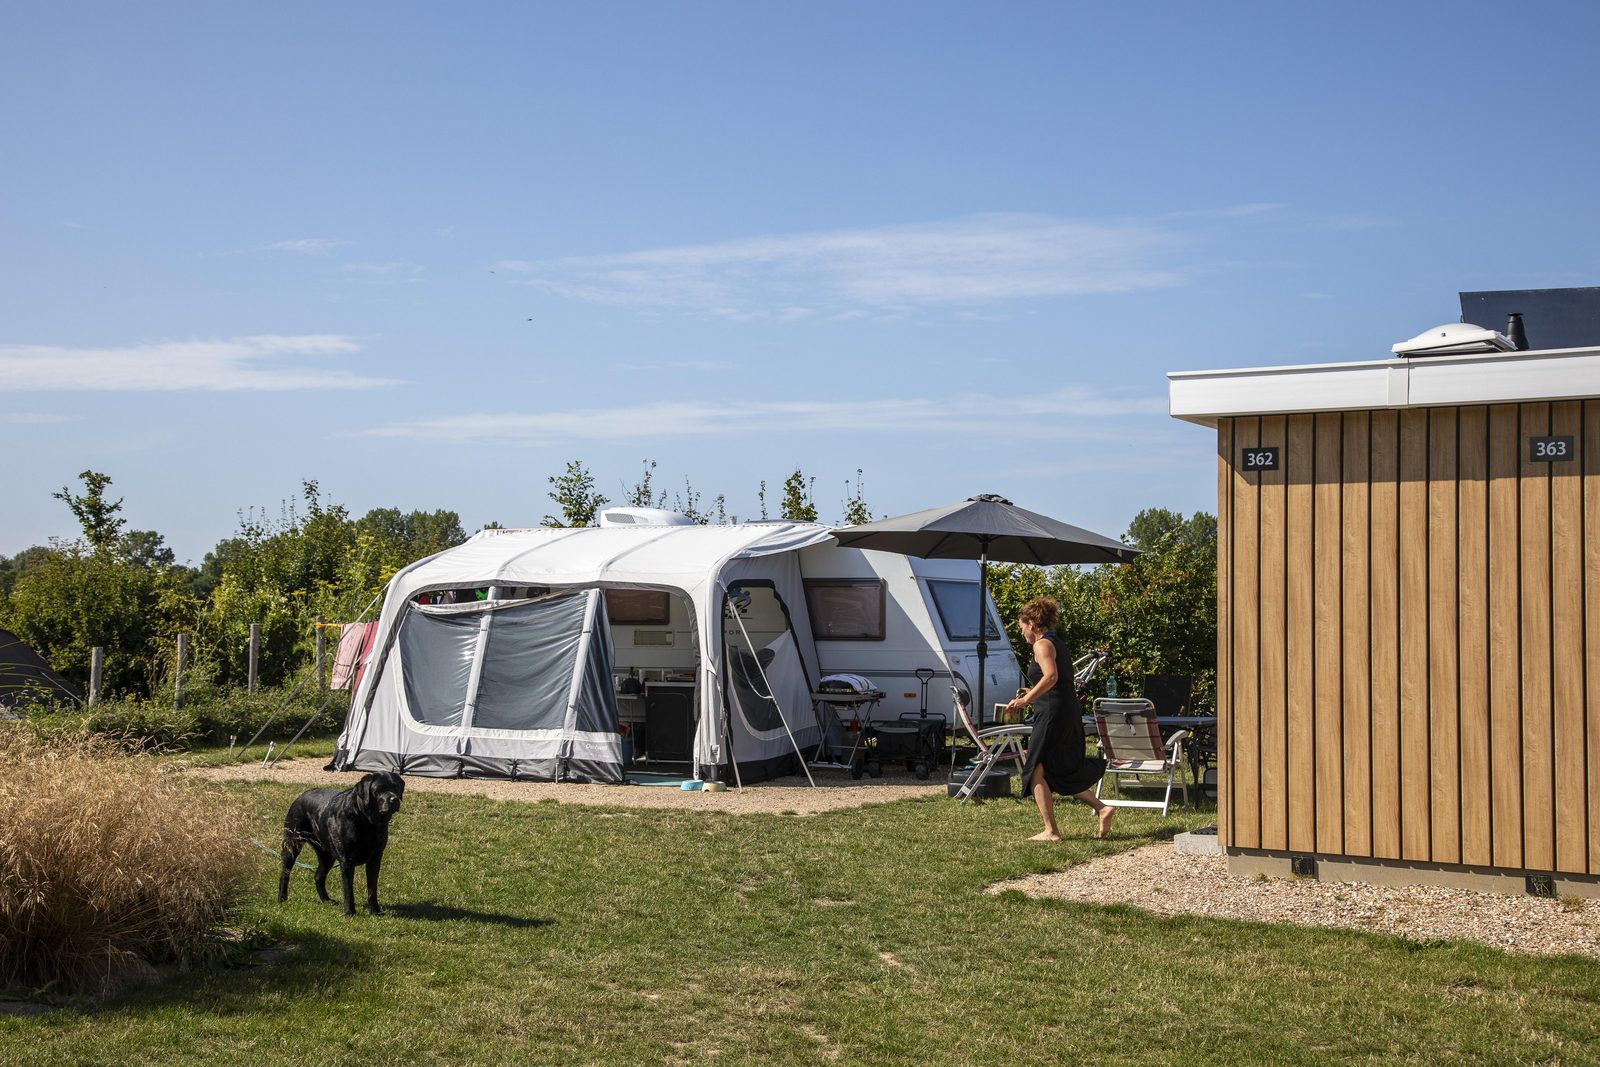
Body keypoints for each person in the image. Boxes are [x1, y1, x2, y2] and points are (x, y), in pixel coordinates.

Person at [1004, 597, 1112, 841]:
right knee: (1051, 768)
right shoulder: (1057, 643)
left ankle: (1051, 831)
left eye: (1022, 626)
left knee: (1034, 770)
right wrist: (1030, 694)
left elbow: (1051, 677)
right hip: (1063, 710)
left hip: (1053, 714)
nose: (1022, 632)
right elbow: (1058, 682)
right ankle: (1101, 808)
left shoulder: (1041, 645)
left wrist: (1026, 699)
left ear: (1032, 623)